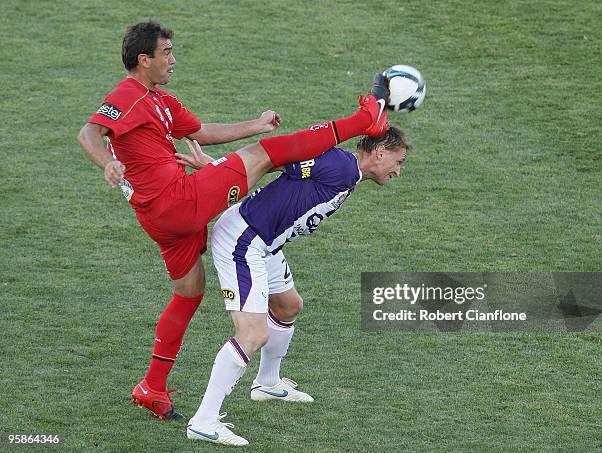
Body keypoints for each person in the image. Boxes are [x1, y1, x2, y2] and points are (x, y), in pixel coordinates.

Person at [77, 21, 390, 420]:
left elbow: (202, 132)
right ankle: (364, 122)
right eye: (166, 52)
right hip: (177, 202)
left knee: (189, 292)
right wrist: (108, 163)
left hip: (160, 217)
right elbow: (89, 132)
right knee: (265, 154)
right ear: (145, 59)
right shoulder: (127, 96)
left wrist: (255, 125)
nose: (173, 60)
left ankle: (152, 386)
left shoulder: (161, 101)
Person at [183, 126, 411, 445]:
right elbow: (274, 158)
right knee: (253, 333)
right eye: (398, 162)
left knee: (288, 306)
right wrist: (218, 169)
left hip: (266, 243)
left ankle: (267, 383)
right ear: (380, 152)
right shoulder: (341, 166)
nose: (398, 171)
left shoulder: (350, 174)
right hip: (244, 239)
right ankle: (203, 420)